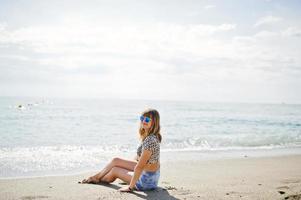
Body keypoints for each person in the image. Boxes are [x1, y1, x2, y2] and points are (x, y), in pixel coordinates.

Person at [81, 108, 162, 192]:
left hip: (146, 182)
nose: (144, 121)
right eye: (142, 118)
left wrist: (130, 187)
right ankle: (97, 177)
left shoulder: (150, 140)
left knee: (114, 170)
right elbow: (144, 160)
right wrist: (128, 164)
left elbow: (139, 167)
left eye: (147, 119)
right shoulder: (151, 136)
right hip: (150, 175)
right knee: (116, 160)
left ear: (154, 122)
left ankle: (98, 178)